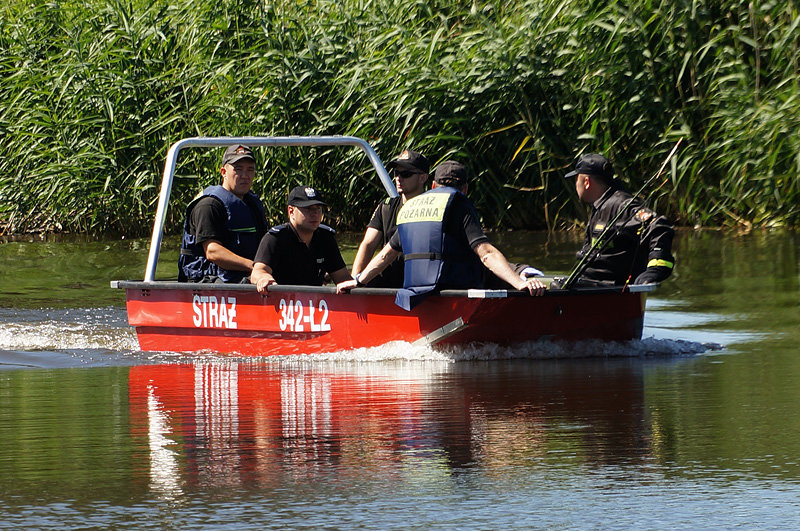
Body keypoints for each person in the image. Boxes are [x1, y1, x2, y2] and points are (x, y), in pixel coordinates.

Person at [337, 161, 546, 310]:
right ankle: (526, 273)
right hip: (452, 290)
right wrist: (519, 283)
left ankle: (523, 271)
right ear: (464, 188)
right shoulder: (460, 203)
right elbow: (486, 253)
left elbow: (386, 255)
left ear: (433, 185)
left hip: (415, 292)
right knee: (494, 269)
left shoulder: (412, 207)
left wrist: (359, 281)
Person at [563, 153, 675, 286]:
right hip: (589, 283)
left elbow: (658, 226)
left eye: (577, 179)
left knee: (553, 288)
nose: (576, 184)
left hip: (608, 289)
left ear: (586, 182)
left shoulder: (621, 205)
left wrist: (655, 270)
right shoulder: (599, 207)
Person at [178, 144, 267, 283]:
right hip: (209, 279)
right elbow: (212, 252)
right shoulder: (209, 205)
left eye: (250, 169)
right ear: (223, 172)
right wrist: (255, 267)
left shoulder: (252, 204)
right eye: (238, 169)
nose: (245, 176)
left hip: (244, 273)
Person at [351, 149, 430, 287]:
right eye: (396, 173)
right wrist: (354, 280)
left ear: (423, 178)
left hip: (418, 287)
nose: (399, 178)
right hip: (385, 285)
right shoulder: (386, 207)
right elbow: (368, 244)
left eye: (406, 174)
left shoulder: (432, 208)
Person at [251, 186, 351, 294]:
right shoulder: (275, 238)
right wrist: (264, 279)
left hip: (313, 303)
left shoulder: (325, 238)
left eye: (318, 208)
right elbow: (258, 272)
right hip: (281, 303)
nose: (315, 214)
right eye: (308, 209)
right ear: (291, 211)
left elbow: (343, 278)